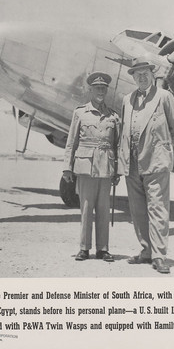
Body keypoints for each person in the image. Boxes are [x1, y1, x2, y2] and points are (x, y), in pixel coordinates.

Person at [118, 55, 174, 274]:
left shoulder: (164, 97)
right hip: (132, 163)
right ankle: (146, 250)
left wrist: (161, 148)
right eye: (138, 74)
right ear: (134, 77)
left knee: (157, 209)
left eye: (145, 73)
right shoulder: (127, 100)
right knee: (137, 210)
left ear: (152, 75)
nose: (142, 77)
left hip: (156, 161)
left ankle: (158, 255)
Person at [63, 72, 120, 262]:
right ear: (90, 90)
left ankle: (103, 249)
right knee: (86, 209)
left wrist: (117, 170)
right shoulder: (80, 113)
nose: (100, 92)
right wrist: (67, 168)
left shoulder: (113, 116)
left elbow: (117, 145)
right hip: (85, 166)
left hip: (106, 168)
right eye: (97, 88)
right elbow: (71, 142)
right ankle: (84, 248)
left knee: (103, 210)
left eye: (103, 89)